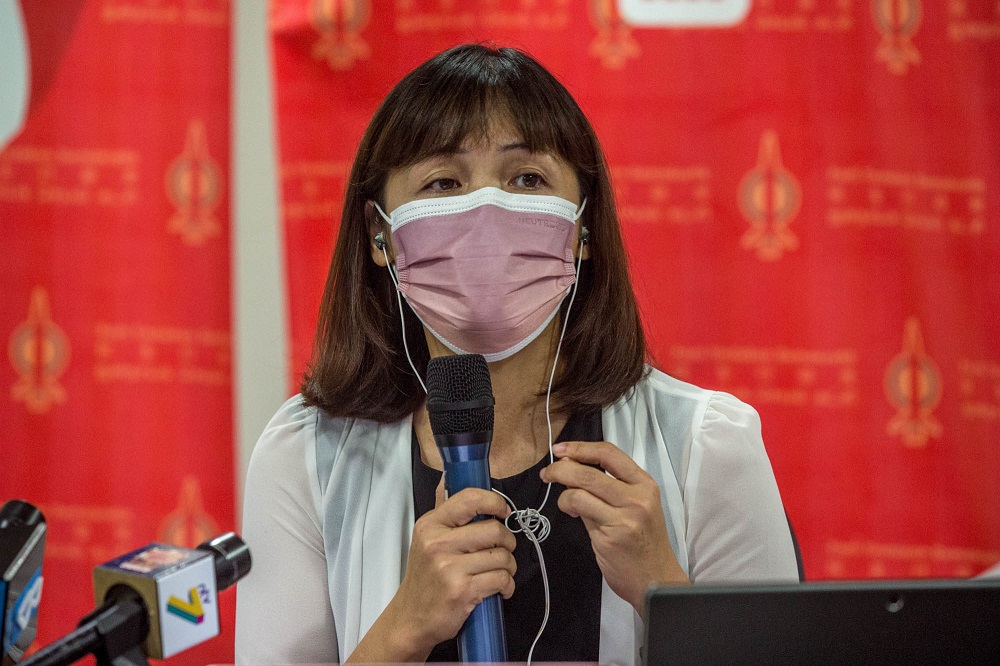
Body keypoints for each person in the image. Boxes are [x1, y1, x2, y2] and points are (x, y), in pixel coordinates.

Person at [234, 43, 799, 665]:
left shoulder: (707, 445)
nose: (486, 208)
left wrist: (663, 592)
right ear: (379, 235)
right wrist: (403, 628)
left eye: (527, 178)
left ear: (583, 227)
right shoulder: (305, 459)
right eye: (443, 181)